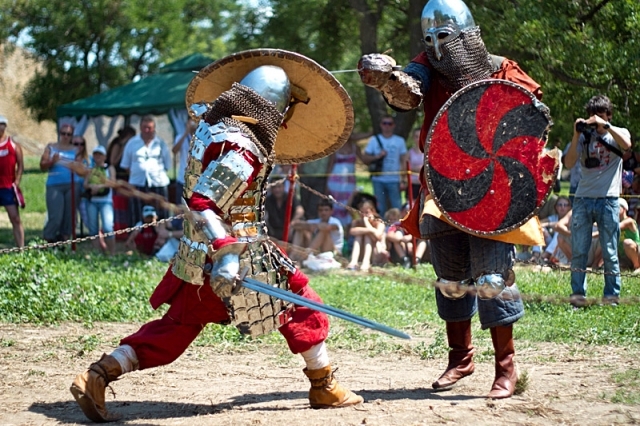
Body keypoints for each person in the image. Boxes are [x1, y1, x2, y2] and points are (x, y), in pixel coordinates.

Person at [70, 56, 363, 423]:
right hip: (237, 256)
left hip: (201, 257)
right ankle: (324, 386)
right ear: (270, 107)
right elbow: (203, 201)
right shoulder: (243, 147)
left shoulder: (212, 128)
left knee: (174, 330)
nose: (284, 120)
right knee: (303, 304)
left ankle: (98, 374)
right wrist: (226, 252)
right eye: (283, 110)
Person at [358, 0, 549, 398]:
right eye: (430, 40)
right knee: (449, 281)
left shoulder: (502, 70)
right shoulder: (426, 66)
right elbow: (408, 92)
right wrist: (387, 77)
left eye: (445, 37)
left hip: (494, 190)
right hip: (441, 188)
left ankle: (505, 369)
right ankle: (460, 359)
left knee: (492, 280)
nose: (437, 47)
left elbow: (530, 114)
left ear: (469, 36)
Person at [563, 95, 632, 306]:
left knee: (610, 252)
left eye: (600, 116)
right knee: (580, 251)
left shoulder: (618, 133)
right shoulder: (584, 137)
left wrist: (606, 125)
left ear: (609, 115)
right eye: (592, 117)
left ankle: (611, 298)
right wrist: (576, 134)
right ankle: (577, 298)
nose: (595, 122)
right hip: (583, 199)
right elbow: (568, 163)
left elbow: (627, 144)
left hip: (609, 200)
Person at [120, 115, 171, 225]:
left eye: (150, 128)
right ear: (140, 127)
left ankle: (162, 239)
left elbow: (167, 165)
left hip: (158, 184)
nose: (147, 130)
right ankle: (137, 239)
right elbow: (125, 165)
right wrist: (137, 173)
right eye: (144, 127)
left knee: (161, 214)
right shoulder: (132, 143)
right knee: (136, 215)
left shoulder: (161, 144)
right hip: (137, 184)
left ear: (154, 128)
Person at [40, 123, 83, 243]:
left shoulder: (76, 150)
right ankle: (48, 239)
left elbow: (80, 168)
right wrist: (52, 162)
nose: (65, 136)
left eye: (68, 134)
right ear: (59, 134)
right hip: (54, 185)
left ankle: (64, 242)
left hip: (72, 184)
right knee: (56, 217)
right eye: (63, 133)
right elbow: (42, 166)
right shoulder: (51, 147)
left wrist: (76, 166)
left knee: (69, 217)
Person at [362, 115, 407, 214]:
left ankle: (398, 227)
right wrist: (377, 156)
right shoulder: (374, 140)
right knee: (380, 207)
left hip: (394, 179)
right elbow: (364, 158)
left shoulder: (400, 141)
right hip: (378, 179)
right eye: (384, 123)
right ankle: (381, 227)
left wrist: (403, 180)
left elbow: (404, 161)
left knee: (397, 206)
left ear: (393, 125)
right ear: (381, 125)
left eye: (389, 123)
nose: (387, 126)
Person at [326, 133, 368, 230]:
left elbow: (364, 160)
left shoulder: (355, 147)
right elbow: (330, 165)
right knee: (335, 204)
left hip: (349, 182)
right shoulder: (335, 147)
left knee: (348, 205)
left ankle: (348, 229)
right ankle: (336, 228)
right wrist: (326, 183)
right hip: (334, 182)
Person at [84, 146, 116, 255]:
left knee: (108, 228)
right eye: (96, 154)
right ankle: (97, 254)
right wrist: (91, 187)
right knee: (93, 229)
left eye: (100, 154)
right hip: (92, 201)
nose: (97, 157)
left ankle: (112, 253)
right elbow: (85, 183)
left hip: (106, 201)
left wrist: (100, 186)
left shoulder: (109, 169)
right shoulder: (91, 169)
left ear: (105, 156)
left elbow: (113, 182)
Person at [106, 126, 136, 238]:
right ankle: (119, 231)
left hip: (128, 179)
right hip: (118, 177)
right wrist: (123, 148)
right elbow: (112, 162)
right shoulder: (118, 145)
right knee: (119, 205)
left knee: (126, 205)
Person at [0, 115, 24, 247]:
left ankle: (21, 248)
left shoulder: (13, 145)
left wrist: (17, 181)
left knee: (15, 218)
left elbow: (20, 165)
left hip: (8, 187)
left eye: (2, 124)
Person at [346, 199, 386, 271]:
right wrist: (370, 230)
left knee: (368, 235)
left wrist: (367, 223)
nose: (364, 215)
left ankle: (366, 262)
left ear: (373, 211)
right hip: (361, 253)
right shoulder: (356, 222)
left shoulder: (379, 223)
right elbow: (352, 231)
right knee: (360, 235)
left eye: (367, 212)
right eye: (362, 213)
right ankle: (354, 261)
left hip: (375, 254)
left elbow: (378, 236)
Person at [617, 198, 640, 273]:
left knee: (627, 242)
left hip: (636, 254)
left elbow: (615, 228)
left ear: (624, 209)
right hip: (623, 256)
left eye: (617, 207)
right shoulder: (616, 222)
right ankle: (596, 265)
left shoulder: (629, 221)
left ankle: (637, 267)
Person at [406, 128, 425, 202]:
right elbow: (405, 167)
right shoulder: (409, 152)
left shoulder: (428, 151)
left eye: (420, 136)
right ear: (413, 138)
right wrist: (418, 168)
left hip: (424, 185)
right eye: (416, 136)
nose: (418, 139)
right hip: (412, 184)